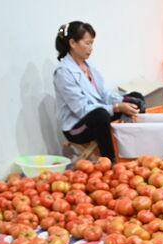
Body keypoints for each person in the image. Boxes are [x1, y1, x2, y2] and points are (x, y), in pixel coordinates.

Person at [53, 21, 142, 162]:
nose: (91, 48)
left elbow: (104, 94)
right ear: (72, 43)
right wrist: (116, 107)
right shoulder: (63, 73)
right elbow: (81, 109)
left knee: (136, 99)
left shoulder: (89, 66)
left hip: (98, 116)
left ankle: (135, 153)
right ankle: (109, 162)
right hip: (77, 127)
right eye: (87, 43)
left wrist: (122, 101)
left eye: (92, 43)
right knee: (100, 115)